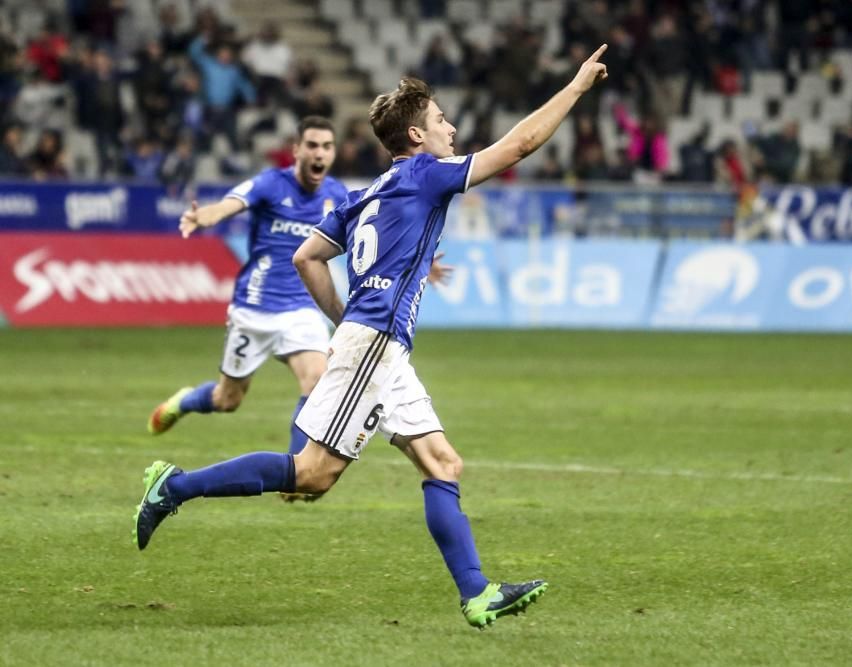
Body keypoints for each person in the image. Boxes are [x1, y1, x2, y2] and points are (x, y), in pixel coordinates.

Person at [133, 44, 610, 628]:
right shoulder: (428, 175)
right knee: (312, 474)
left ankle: (478, 593)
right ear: (416, 134)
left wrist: (344, 316)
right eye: (440, 120)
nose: (452, 128)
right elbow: (520, 146)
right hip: (377, 339)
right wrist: (576, 88)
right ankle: (174, 487)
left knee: (442, 463)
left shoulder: (364, 194)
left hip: (379, 342)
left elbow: (309, 256)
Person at [146, 116, 348, 472]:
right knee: (227, 399)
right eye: (312, 145)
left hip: (302, 307)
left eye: (327, 147)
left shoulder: (337, 195)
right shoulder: (271, 183)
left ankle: (298, 471)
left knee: (317, 380)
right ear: (297, 150)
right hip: (254, 308)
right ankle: (184, 402)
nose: (319, 153)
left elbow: (372, 231)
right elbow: (231, 204)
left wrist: (422, 263)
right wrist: (206, 216)